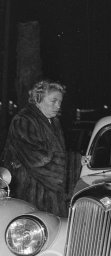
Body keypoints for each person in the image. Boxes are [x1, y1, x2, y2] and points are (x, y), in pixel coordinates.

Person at [1, 80, 68, 217]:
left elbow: (57, 153)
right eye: (53, 101)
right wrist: (70, 167)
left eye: (60, 102)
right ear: (38, 99)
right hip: (30, 192)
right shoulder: (24, 120)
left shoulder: (53, 121)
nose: (58, 106)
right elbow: (37, 159)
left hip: (48, 192)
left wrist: (78, 160)